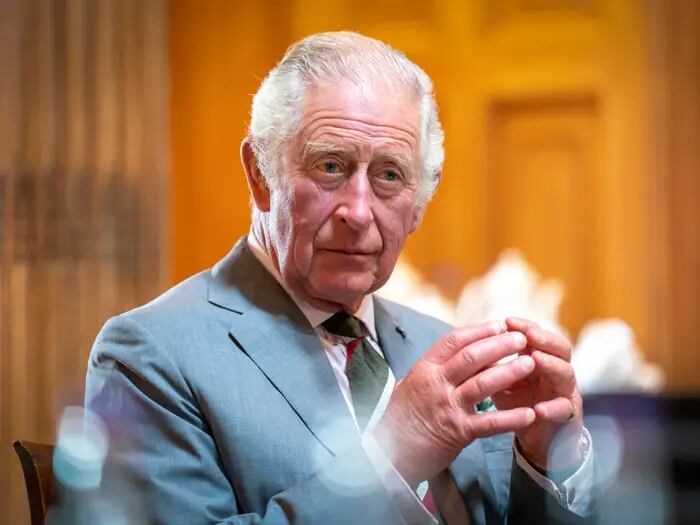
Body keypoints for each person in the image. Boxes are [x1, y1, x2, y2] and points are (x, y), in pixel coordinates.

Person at [85, 32, 597, 524]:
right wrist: (391, 456)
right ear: (260, 174)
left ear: (420, 204)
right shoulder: (150, 356)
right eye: (330, 166)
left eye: (389, 175)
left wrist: (550, 461)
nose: (358, 210)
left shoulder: (446, 351)